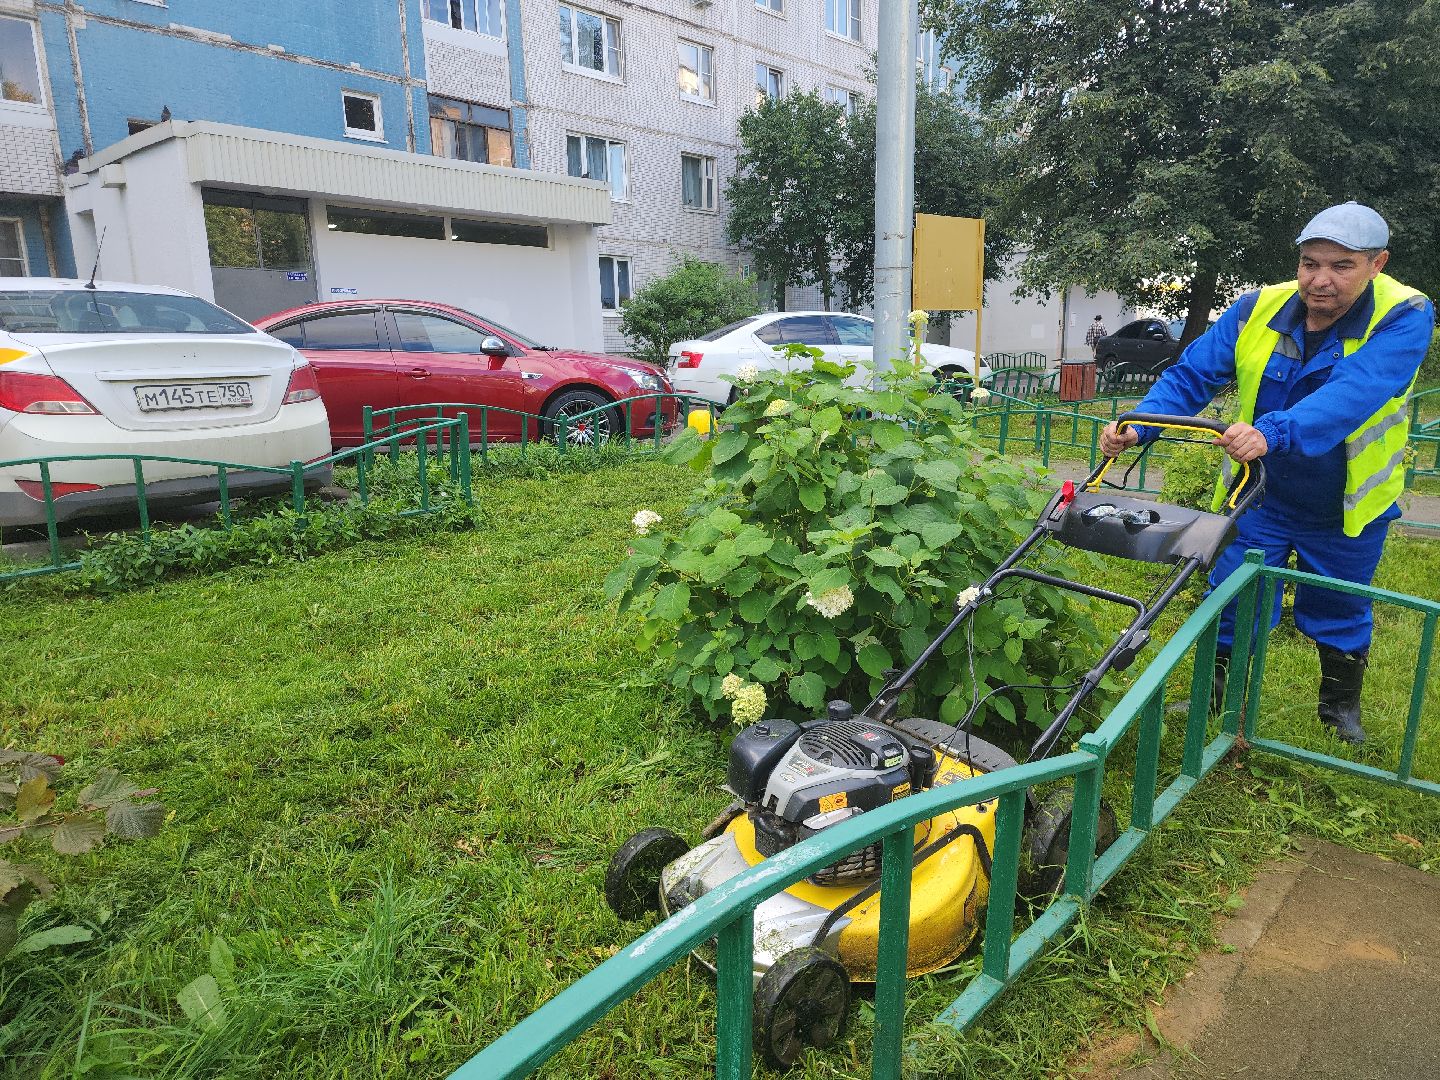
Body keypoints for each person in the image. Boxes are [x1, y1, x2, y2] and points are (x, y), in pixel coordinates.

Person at [1100, 202, 1434, 744]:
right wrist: (1139, 425)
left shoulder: (1405, 313)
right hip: (1260, 494)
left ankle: (1338, 710)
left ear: (1377, 264)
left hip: (1345, 501)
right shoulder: (1259, 307)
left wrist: (1273, 432)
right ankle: (1214, 696)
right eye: (1309, 263)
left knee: (1338, 602)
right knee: (1231, 594)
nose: (1320, 280)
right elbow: (1192, 373)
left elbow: (1358, 391)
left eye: (1341, 266)